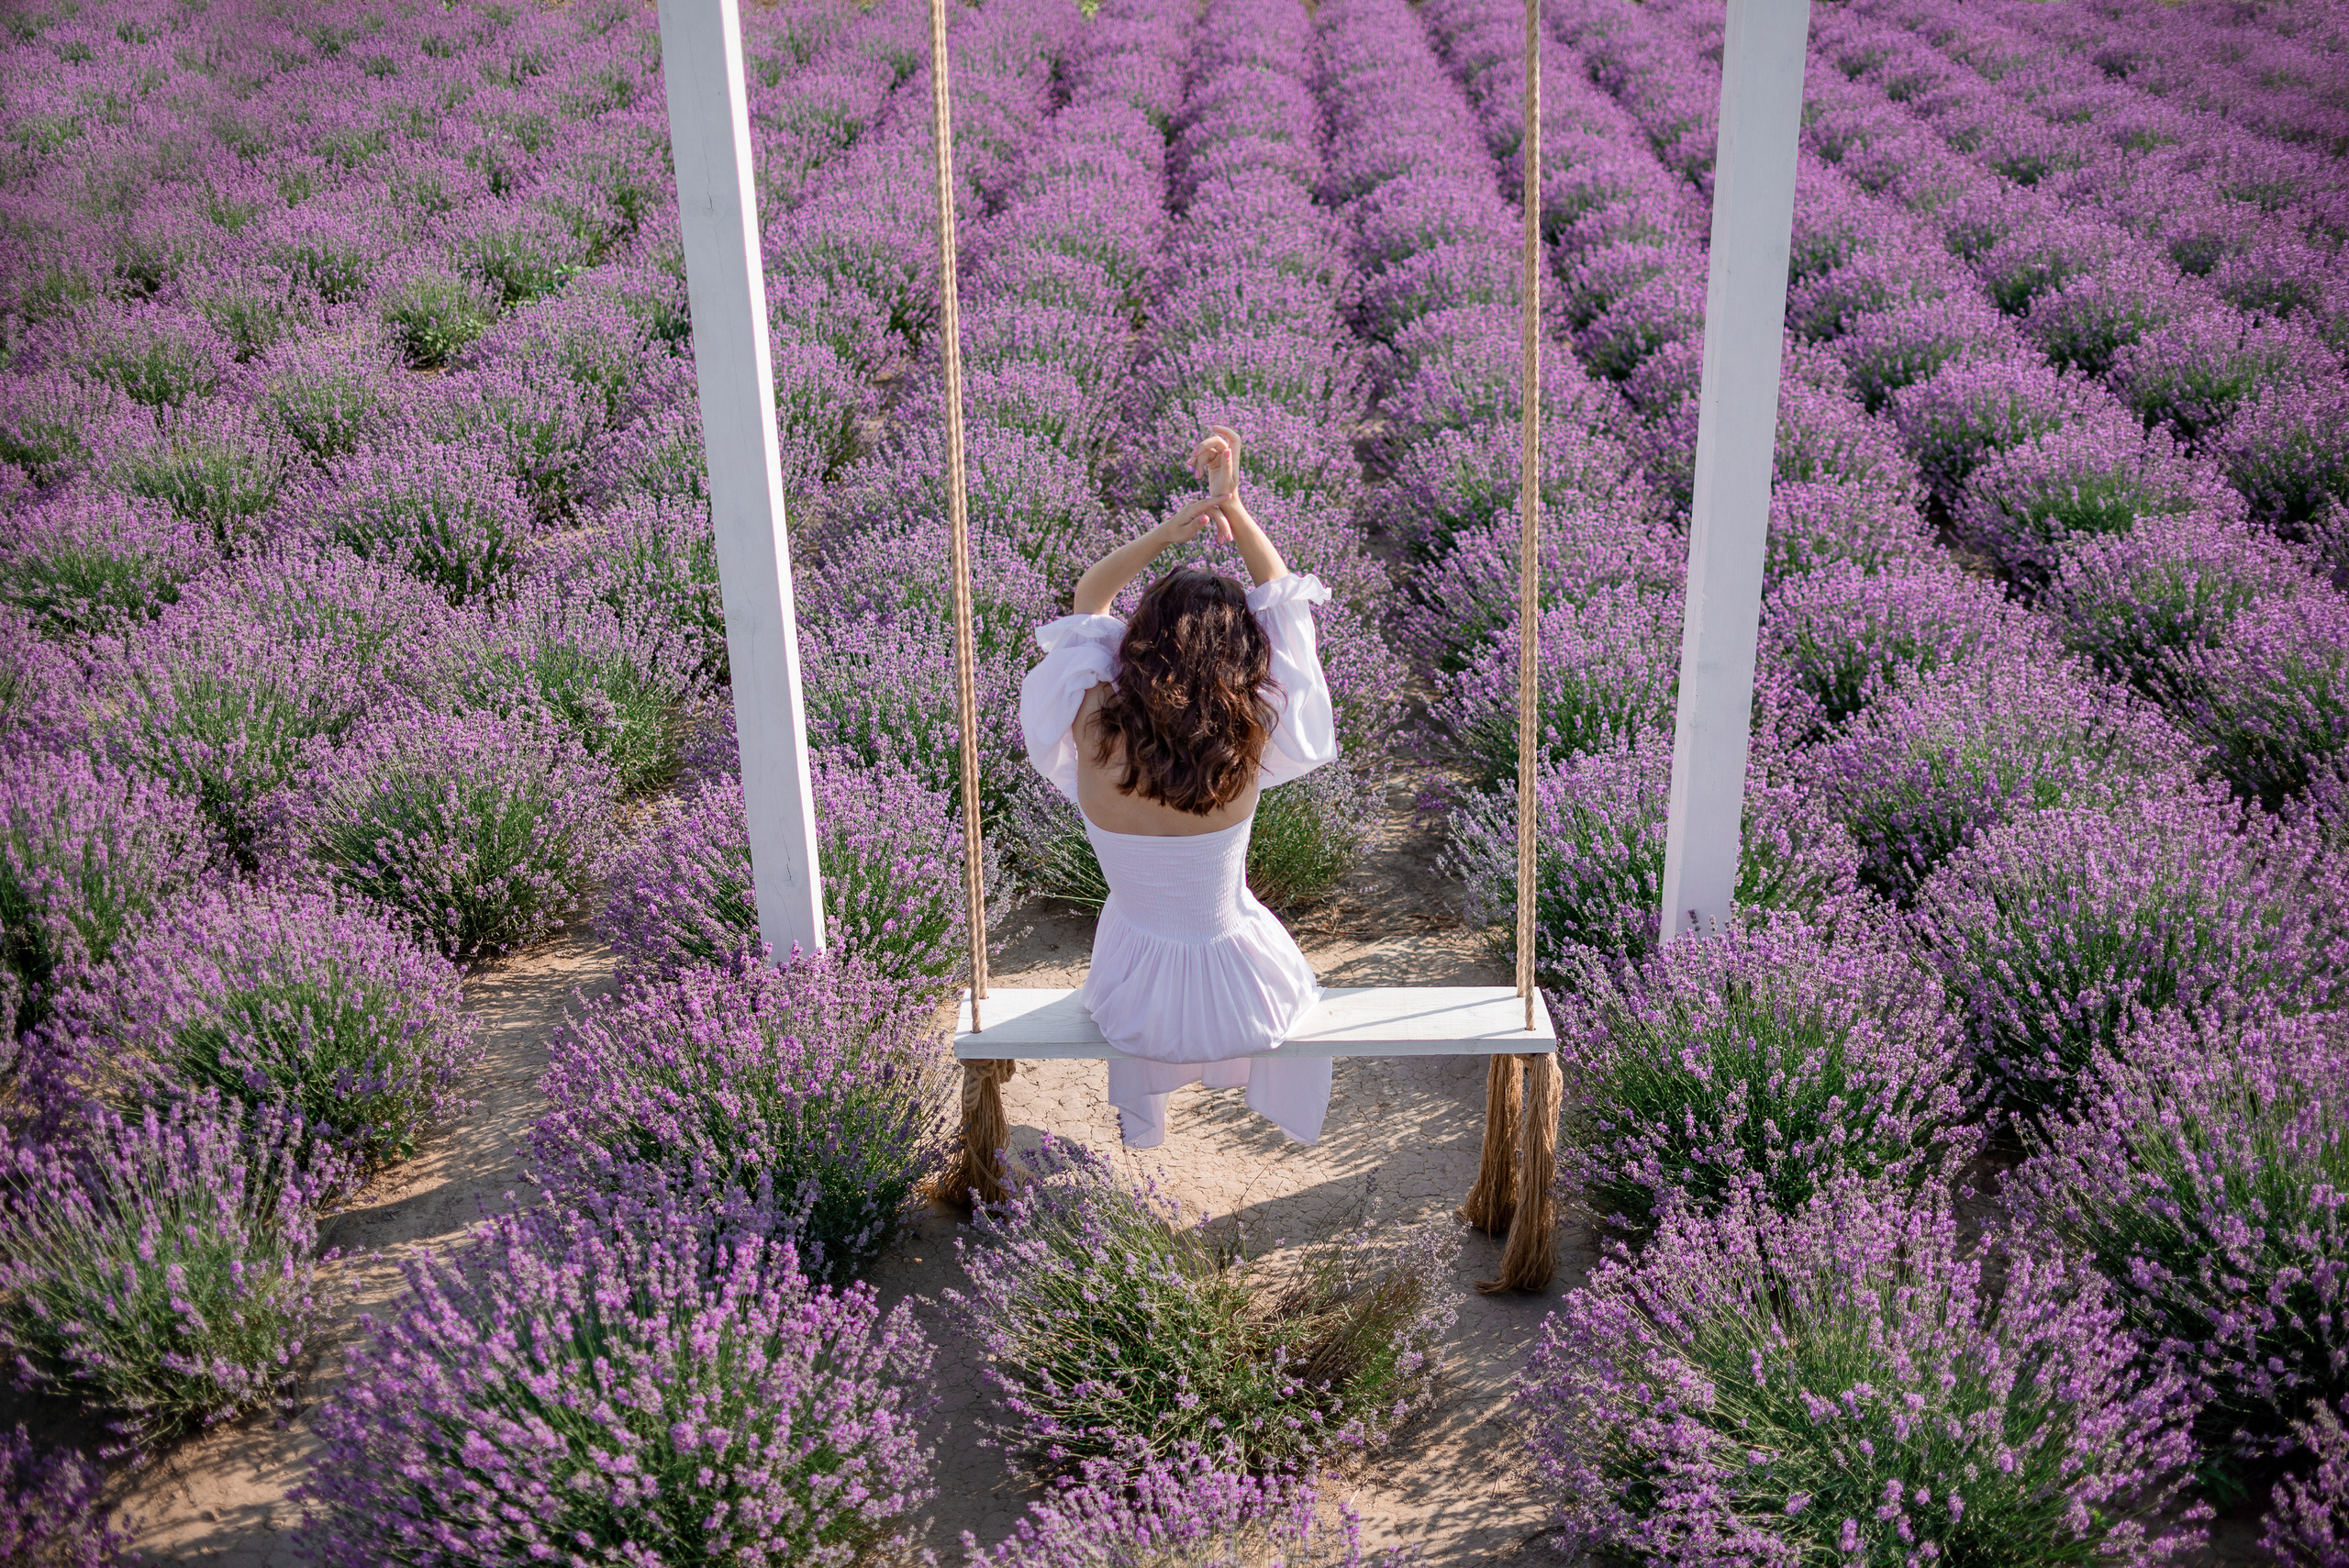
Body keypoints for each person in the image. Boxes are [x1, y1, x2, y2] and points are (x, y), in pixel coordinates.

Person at [1019, 424, 1340, 1149]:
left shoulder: (1092, 717)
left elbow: (1087, 600)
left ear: (1140, 639)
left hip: (1132, 998)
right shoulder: (1251, 732)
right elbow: (1286, 612)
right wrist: (1235, 507)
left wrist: (1170, 533)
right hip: (1246, 992)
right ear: (1242, 655)